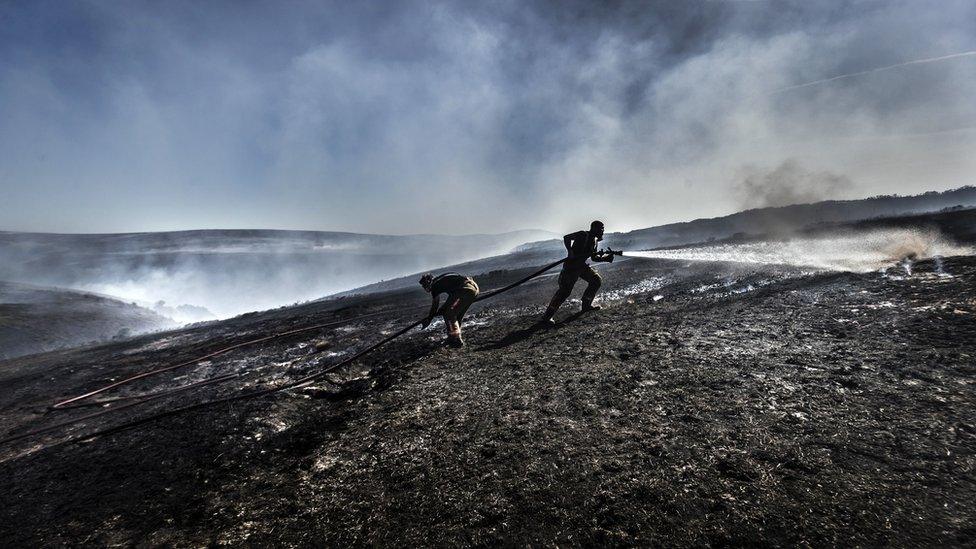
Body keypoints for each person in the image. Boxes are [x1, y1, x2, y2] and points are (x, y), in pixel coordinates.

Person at [540, 220, 614, 325]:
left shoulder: (595, 241)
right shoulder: (583, 234)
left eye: (603, 229)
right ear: (594, 228)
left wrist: (605, 258)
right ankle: (546, 317)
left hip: (581, 267)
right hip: (571, 267)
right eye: (601, 228)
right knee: (564, 292)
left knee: (596, 280)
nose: (602, 231)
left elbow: (594, 258)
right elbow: (566, 237)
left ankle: (586, 306)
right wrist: (570, 251)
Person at [419, 272, 480, 347]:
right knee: (456, 316)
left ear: (429, 282)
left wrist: (429, 319)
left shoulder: (435, 285)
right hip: (473, 289)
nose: (425, 288)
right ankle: (454, 337)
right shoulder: (441, 280)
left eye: (424, 285)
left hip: (464, 290)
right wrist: (443, 308)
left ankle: (455, 339)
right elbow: (452, 296)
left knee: (449, 314)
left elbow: (435, 305)